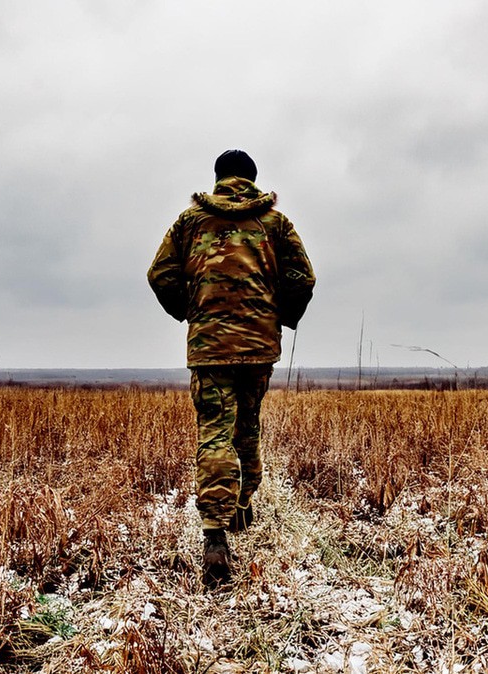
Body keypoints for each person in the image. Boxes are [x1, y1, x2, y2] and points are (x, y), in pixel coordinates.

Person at [148, 149, 315, 587]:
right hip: (258, 348)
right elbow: (303, 279)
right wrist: (275, 316)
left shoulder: (190, 222)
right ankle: (242, 506)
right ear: (253, 181)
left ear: (219, 178)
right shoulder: (274, 223)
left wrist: (193, 311)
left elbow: (159, 274)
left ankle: (216, 535)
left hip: (209, 347)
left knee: (215, 433)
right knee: (248, 428)